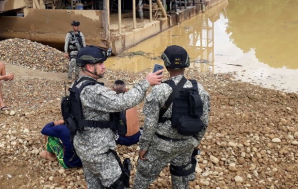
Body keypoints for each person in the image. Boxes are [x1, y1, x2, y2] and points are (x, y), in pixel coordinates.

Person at [72, 46, 163, 189]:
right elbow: (123, 102)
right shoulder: (92, 91)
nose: (104, 67)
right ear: (89, 66)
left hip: (84, 148)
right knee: (119, 184)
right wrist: (146, 82)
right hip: (99, 152)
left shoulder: (77, 85)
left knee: (94, 185)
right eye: (100, 64)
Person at [134, 45, 210, 189]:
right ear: (186, 63)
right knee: (181, 179)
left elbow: (150, 124)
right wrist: (195, 141)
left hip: (160, 145)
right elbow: (205, 121)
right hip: (186, 144)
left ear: (166, 65)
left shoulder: (160, 90)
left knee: (143, 176)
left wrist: (144, 147)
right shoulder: (199, 89)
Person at [112, 80, 142, 146]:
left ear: (112, 89)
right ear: (125, 90)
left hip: (123, 139)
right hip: (137, 136)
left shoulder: (113, 104)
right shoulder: (131, 101)